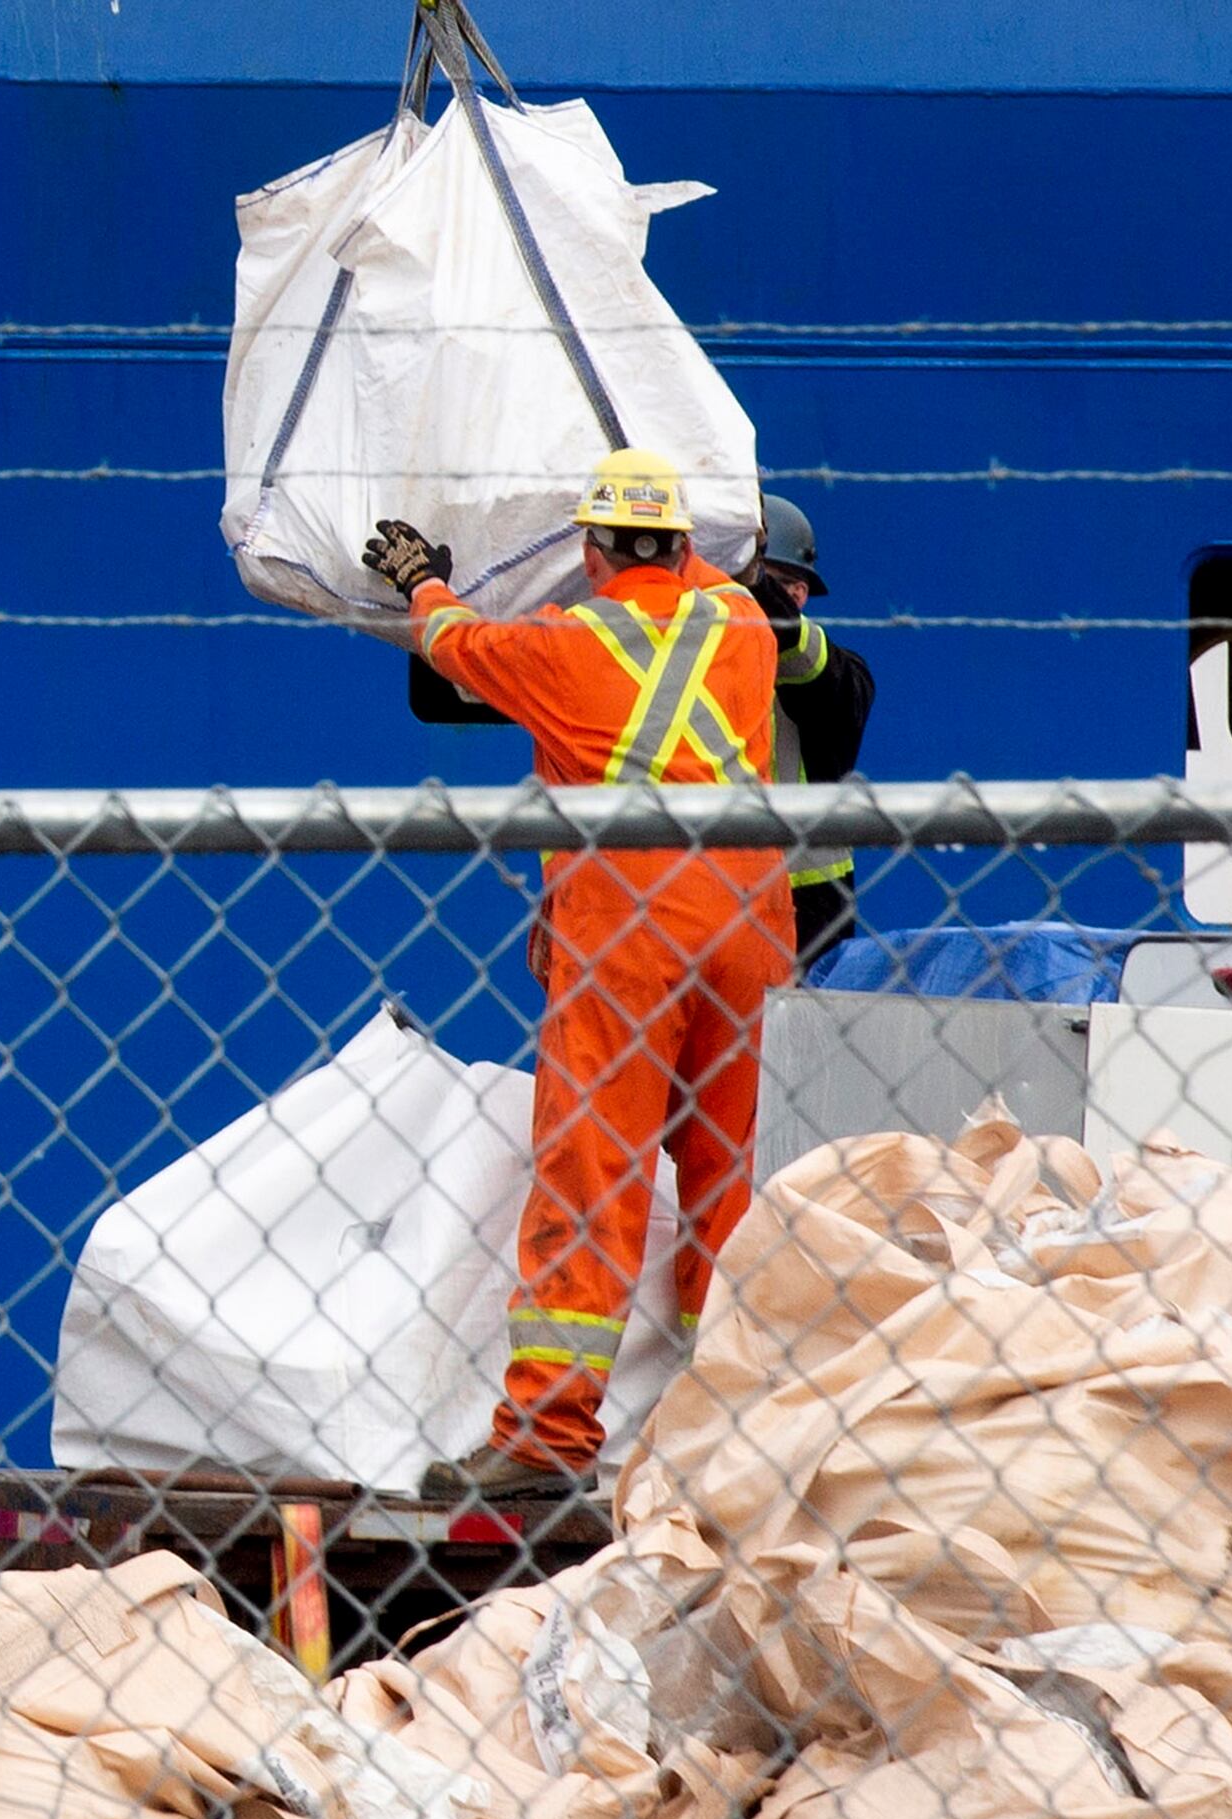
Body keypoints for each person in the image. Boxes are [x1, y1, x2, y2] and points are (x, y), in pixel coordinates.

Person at [362, 448, 789, 1495]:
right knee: (727, 1174)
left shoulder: (565, 645)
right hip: (747, 919)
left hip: (631, 924)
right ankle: (733, 1426)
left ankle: (548, 1432)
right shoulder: (740, 624)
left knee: (592, 1167)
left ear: (591, 550)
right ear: (685, 544)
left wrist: (419, 574)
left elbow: (456, 643)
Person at [747, 496, 878, 969]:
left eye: (780, 587)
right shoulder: (699, 657)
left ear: (798, 595)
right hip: (716, 891)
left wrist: (752, 584)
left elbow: (811, 666)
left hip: (808, 910)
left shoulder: (841, 677)